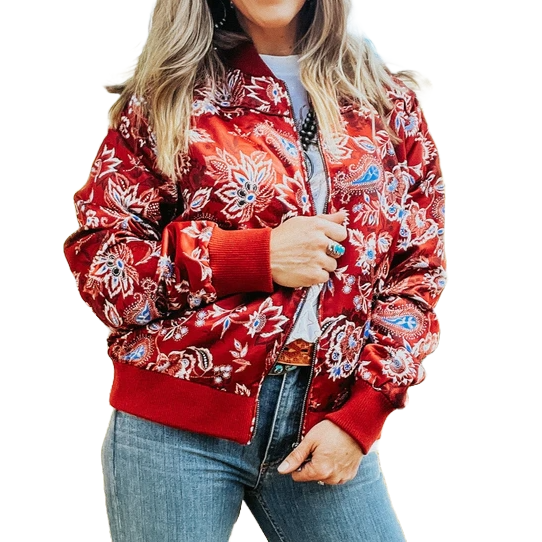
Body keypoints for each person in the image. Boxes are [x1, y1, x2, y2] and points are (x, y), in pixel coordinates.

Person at [63, 0, 446, 540]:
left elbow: (418, 272)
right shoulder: (167, 97)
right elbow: (104, 264)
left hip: (326, 422)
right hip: (174, 428)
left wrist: (362, 415)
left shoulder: (387, 103)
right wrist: (254, 256)